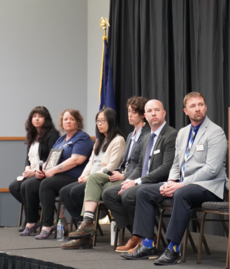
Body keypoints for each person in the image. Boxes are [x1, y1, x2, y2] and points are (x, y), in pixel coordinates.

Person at [121, 92, 228, 265]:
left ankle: (173, 248)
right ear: (186, 111)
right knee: (144, 192)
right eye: (193, 106)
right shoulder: (183, 133)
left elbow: (212, 169)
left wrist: (181, 185)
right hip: (182, 184)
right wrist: (171, 182)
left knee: (181, 194)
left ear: (206, 108)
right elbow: (177, 164)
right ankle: (148, 244)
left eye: (200, 104)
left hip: (209, 186)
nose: (197, 108)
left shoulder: (216, 132)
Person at [60, 97, 152, 250]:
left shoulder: (132, 137)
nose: (130, 115)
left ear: (142, 115)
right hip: (117, 176)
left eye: (134, 112)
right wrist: (84, 175)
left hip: (126, 177)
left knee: (99, 187)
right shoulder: (130, 136)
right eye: (128, 111)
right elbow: (92, 162)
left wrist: (123, 175)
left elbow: (139, 164)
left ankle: (89, 226)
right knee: (69, 191)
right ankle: (86, 229)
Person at [100, 98, 177, 253]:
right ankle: (138, 233)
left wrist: (136, 182)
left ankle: (144, 235)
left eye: (156, 110)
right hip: (143, 181)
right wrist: (128, 180)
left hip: (159, 182)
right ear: (145, 116)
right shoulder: (146, 138)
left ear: (164, 113)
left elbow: (166, 168)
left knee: (128, 195)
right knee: (109, 193)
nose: (153, 114)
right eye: (149, 111)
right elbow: (140, 166)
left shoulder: (171, 135)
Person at [20, 109, 94, 239]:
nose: (68, 122)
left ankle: (48, 225)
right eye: (65, 119)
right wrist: (41, 171)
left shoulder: (82, 138)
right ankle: (31, 222)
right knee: (29, 184)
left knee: (46, 184)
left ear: (78, 122)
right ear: (61, 122)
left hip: (74, 177)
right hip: (58, 175)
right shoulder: (61, 139)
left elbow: (76, 160)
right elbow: (51, 159)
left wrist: (52, 171)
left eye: (72, 119)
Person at [58, 107, 125, 247]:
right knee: (64, 192)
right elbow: (90, 162)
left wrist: (90, 178)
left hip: (103, 179)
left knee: (75, 192)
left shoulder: (118, 140)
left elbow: (111, 166)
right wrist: (83, 176)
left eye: (103, 121)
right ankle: (82, 228)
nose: (99, 124)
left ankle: (86, 229)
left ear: (111, 122)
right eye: (98, 121)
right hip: (91, 178)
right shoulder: (99, 141)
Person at [9, 106, 60, 232]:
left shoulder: (52, 134)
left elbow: (51, 158)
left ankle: (31, 219)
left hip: (43, 173)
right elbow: (28, 156)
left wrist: (35, 171)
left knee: (26, 186)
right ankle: (33, 212)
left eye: (40, 116)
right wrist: (27, 168)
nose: (37, 119)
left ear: (46, 119)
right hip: (32, 172)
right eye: (34, 116)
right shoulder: (32, 134)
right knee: (14, 187)